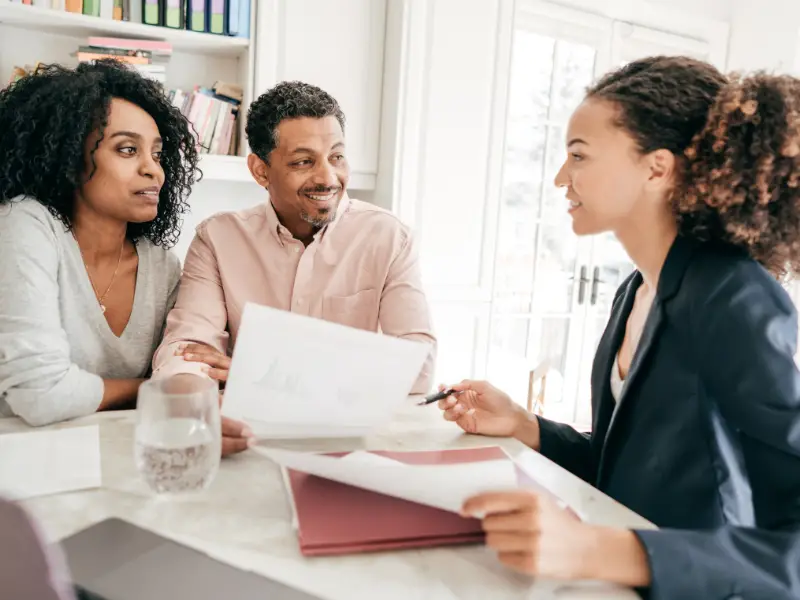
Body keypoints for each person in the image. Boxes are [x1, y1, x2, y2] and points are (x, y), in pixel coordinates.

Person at [438, 56, 800, 599]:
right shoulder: (636, 291)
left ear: (657, 168)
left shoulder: (734, 298)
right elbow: (626, 467)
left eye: (578, 156)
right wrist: (523, 424)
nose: (561, 178)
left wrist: (597, 549)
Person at [152, 81, 436, 454]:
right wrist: (196, 410)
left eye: (336, 157)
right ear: (260, 170)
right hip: (249, 439)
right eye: (304, 162)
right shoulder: (217, 238)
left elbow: (417, 367)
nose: (327, 178)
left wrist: (260, 373)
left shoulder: (389, 238)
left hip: (351, 446)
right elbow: (186, 350)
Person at [0, 60, 197, 426]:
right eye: (126, 150)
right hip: (18, 462)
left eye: (157, 154)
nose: (154, 170)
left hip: (117, 455)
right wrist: (150, 388)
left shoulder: (161, 267)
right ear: (70, 157)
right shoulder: (23, 224)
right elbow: (40, 394)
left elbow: (181, 370)